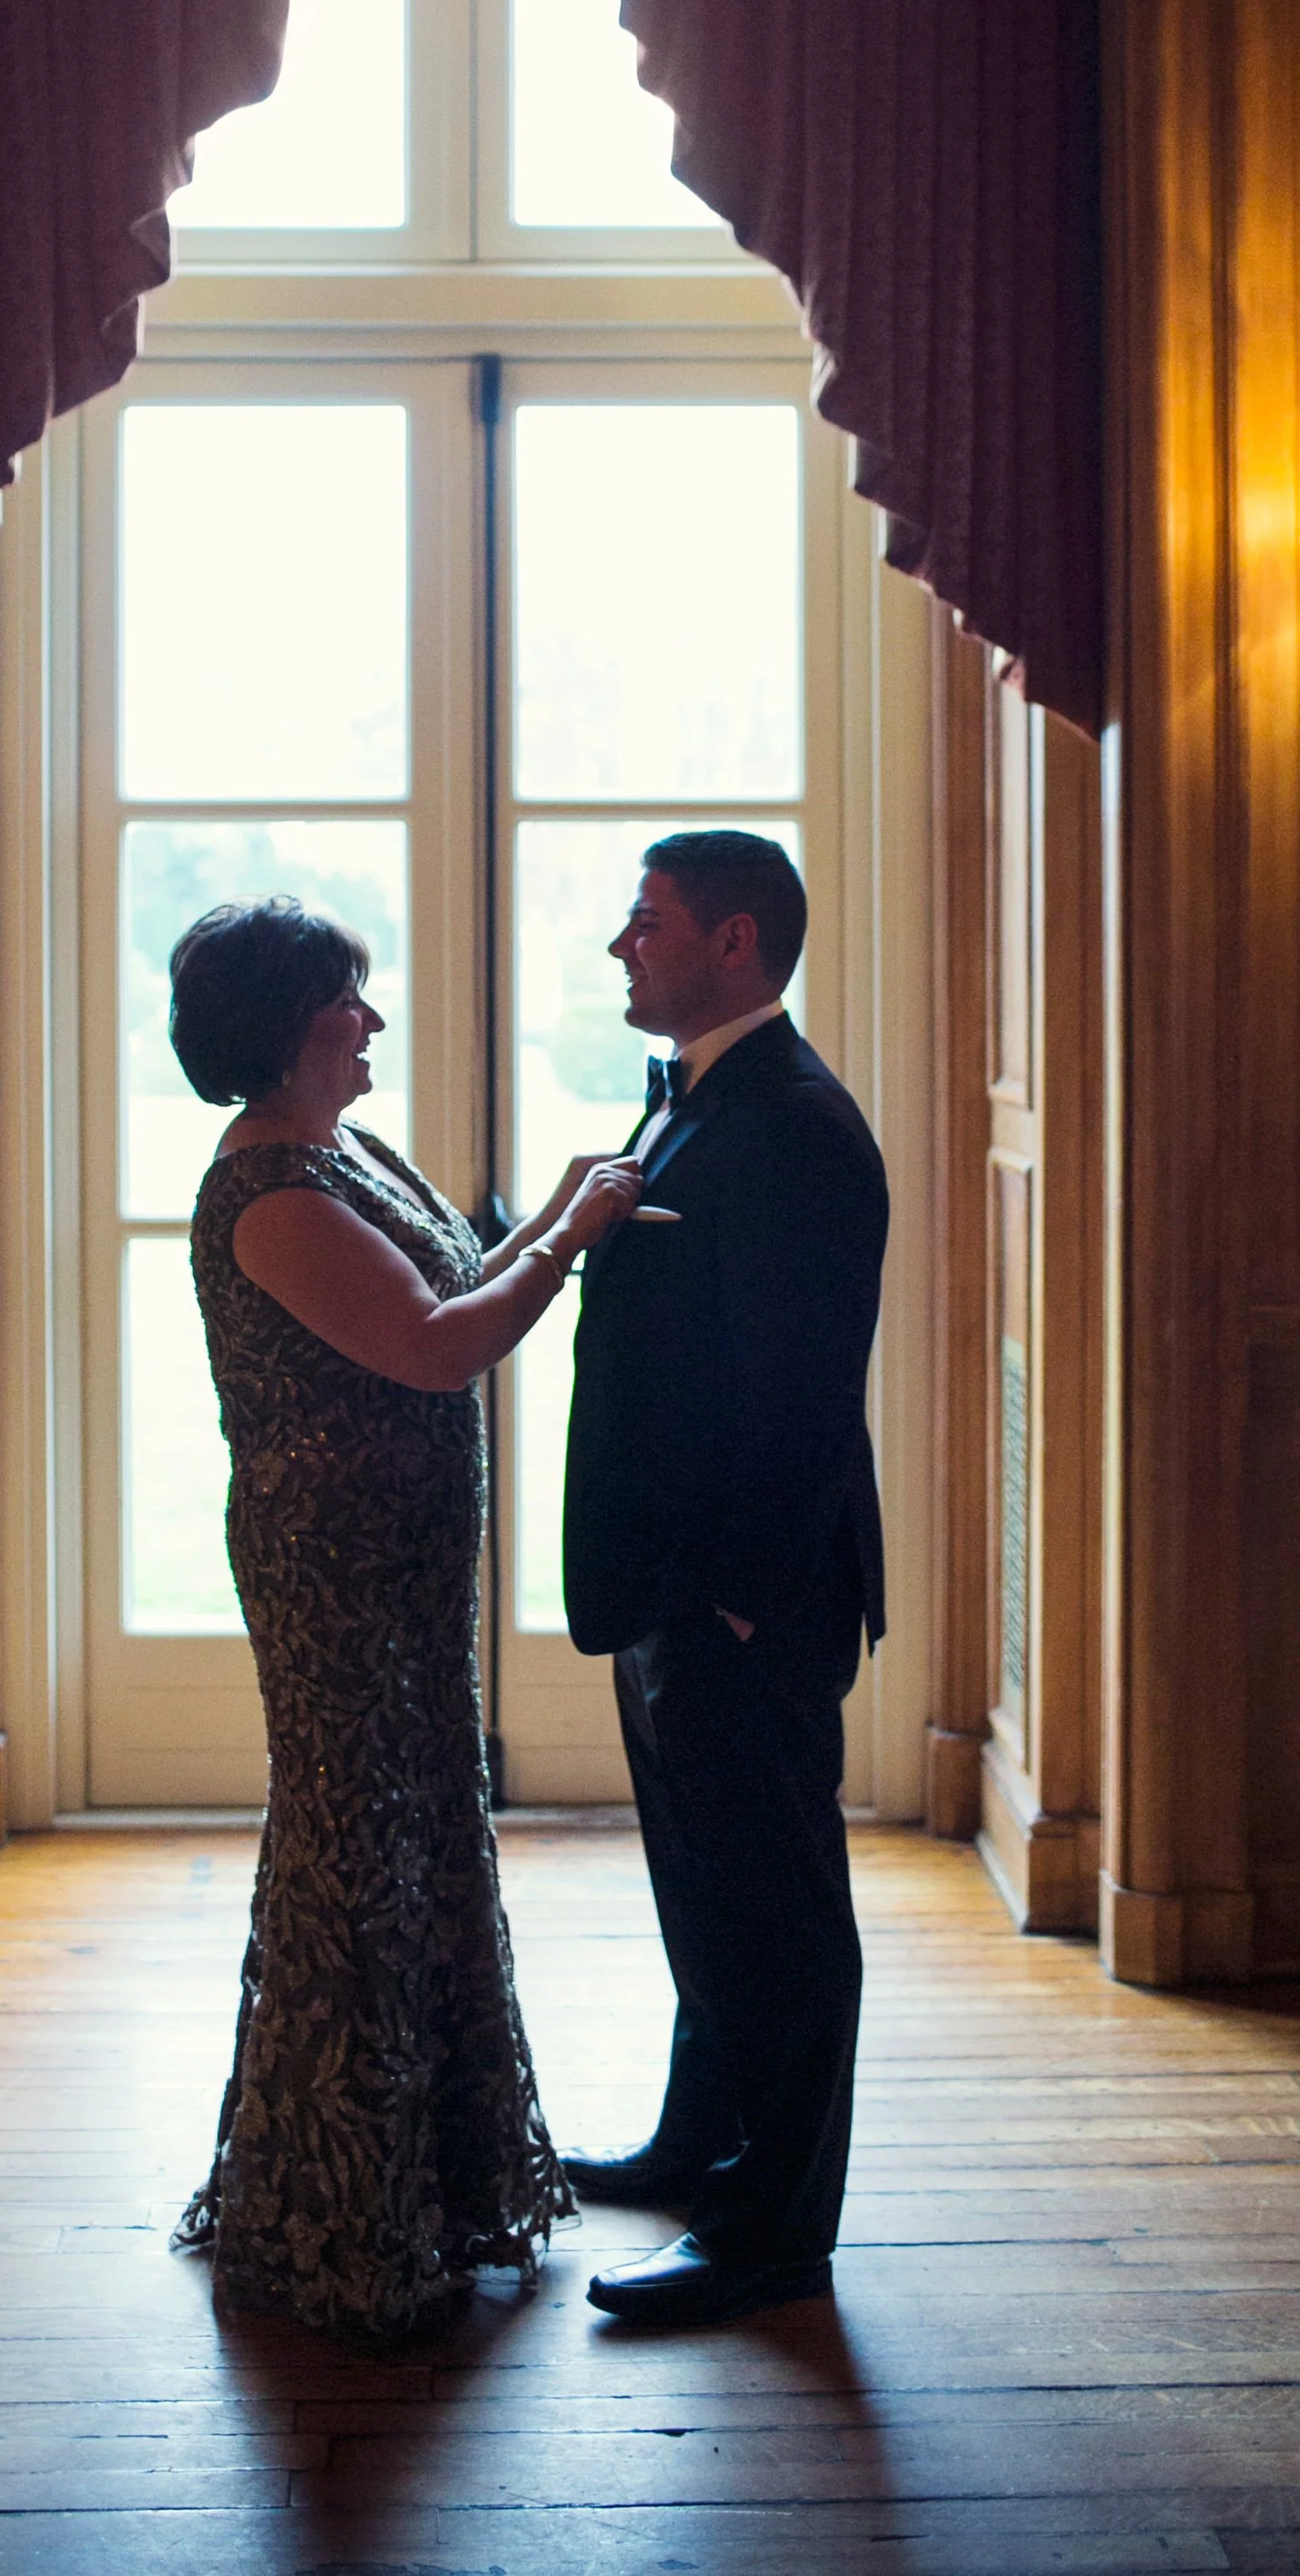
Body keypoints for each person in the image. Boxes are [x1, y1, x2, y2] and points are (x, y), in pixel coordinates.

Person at [167, 894, 643, 2348]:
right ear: (289, 1031)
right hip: (336, 1579)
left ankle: (440, 2180)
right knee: (353, 1858)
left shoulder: (343, 1150)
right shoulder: (272, 1191)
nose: (371, 1023)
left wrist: (555, 1214)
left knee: (420, 1836)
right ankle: (335, 2207)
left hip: (404, 1571)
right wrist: (572, 1233)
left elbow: (452, 1272)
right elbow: (440, 1349)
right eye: (347, 1005)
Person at [558, 832, 889, 2329]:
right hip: (672, 1583)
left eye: (648, 924)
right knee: (704, 1885)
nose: (622, 948)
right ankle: (702, 2144)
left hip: (746, 1595)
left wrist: (744, 1597)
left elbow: (808, 1389)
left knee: (783, 1914)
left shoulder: (801, 1127)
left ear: (735, 942)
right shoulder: (696, 1094)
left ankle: (772, 2230)